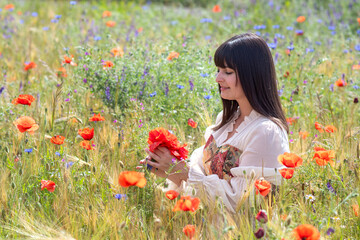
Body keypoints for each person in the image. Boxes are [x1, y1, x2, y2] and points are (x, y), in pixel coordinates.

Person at [140, 33, 290, 213]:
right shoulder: (226, 120)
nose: (218, 78)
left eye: (228, 72)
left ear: (252, 75)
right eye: (218, 70)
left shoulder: (266, 132)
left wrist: (184, 173)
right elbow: (202, 175)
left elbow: (242, 203)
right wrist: (169, 168)